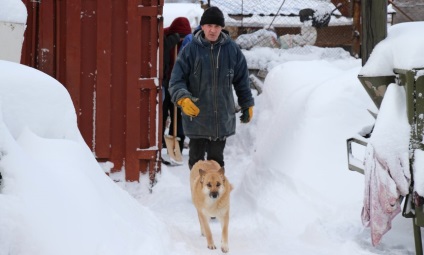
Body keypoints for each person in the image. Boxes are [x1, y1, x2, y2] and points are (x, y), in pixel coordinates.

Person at [168, 6, 254, 169]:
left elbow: (242, 79)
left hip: (220, 119)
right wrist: (183, 98)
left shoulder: (232, 50)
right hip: (197, 117)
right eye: (209, 26)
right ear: (202, 26)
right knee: (196, 164)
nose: (212, 30)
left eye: (216, 26)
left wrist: (247, 103)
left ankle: (215, 194)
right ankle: (198, 194)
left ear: (222, 27)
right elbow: (176, 80)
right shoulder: (190, 50)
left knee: (216, 163)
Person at [162, 17, 192, 157]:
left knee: (178, 116)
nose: (181, 40)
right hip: (164, 83)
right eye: (179, 37)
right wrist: (168, 45)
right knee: (161, 114)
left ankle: (177, 147)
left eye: (183, 37)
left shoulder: (190, 43)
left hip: (179, 85)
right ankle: (159, 143)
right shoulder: (165, 39)